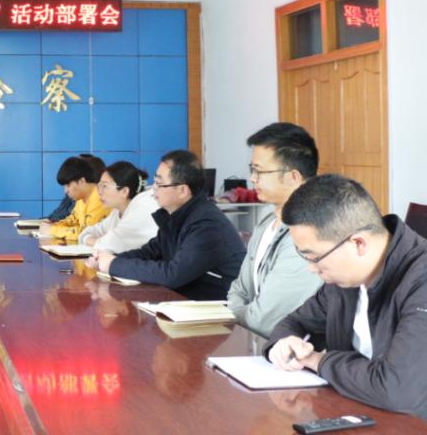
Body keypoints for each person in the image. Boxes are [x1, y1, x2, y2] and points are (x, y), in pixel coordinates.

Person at [266, 175, 427, 419]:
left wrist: (317, 360)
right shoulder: (345, 279)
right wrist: (282, 345)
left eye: (315, 257)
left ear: (358, 243)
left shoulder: (419, 280)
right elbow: (294, 322)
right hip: (358, 411)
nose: (312, 268)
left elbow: (397, 389)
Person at [89, 150, 246, 300]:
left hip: (218, 309)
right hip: (187, 301)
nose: (153, 190)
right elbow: (149, 252)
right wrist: (108, 258)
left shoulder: (207, 224)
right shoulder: (177, 216)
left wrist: (113, 264)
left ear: (182, 190)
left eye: (159, 183)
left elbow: (173, 274)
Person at [227, 123, 323, 337]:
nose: (252, 179)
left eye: (259, 171)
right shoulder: (266, 222)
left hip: (291, 350)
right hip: (255, 343)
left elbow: (264, 320)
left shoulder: (308, 232)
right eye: (252, 170)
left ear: (293, 177)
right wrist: (241, 312)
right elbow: (239, 289)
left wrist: (232, 316)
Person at [79, 161, 159, 253]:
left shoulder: (141, 210)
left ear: (124, 191)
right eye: (99, 186)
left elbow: (109, 245)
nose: (99, 192)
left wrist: (96, 241)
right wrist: (97, 241)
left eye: (104, 186)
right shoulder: (117, 212)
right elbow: (86, 233)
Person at [38, 155, 110, 241]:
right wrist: (52, 225)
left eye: (68, 185)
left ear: (81, 181)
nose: (65, 191)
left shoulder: (101, 198)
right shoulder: (81, 199)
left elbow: (87, 234)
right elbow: (72, 221)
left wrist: (53, 230)